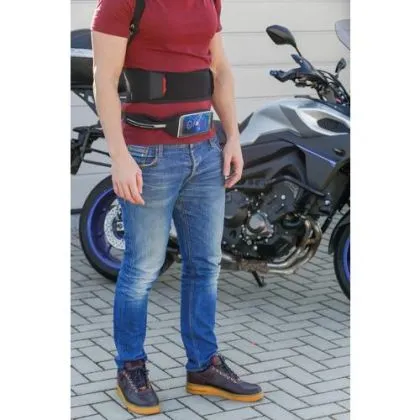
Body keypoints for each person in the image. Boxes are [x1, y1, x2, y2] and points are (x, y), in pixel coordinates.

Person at [91, 0, 263, 415]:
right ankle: (131, 367)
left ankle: (203, 365)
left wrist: (233, 137)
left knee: (205, 265)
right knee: (142, 268)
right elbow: (104, 79)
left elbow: (219, 68)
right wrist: (119, 156)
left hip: (204, 151)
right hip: (149, 155)